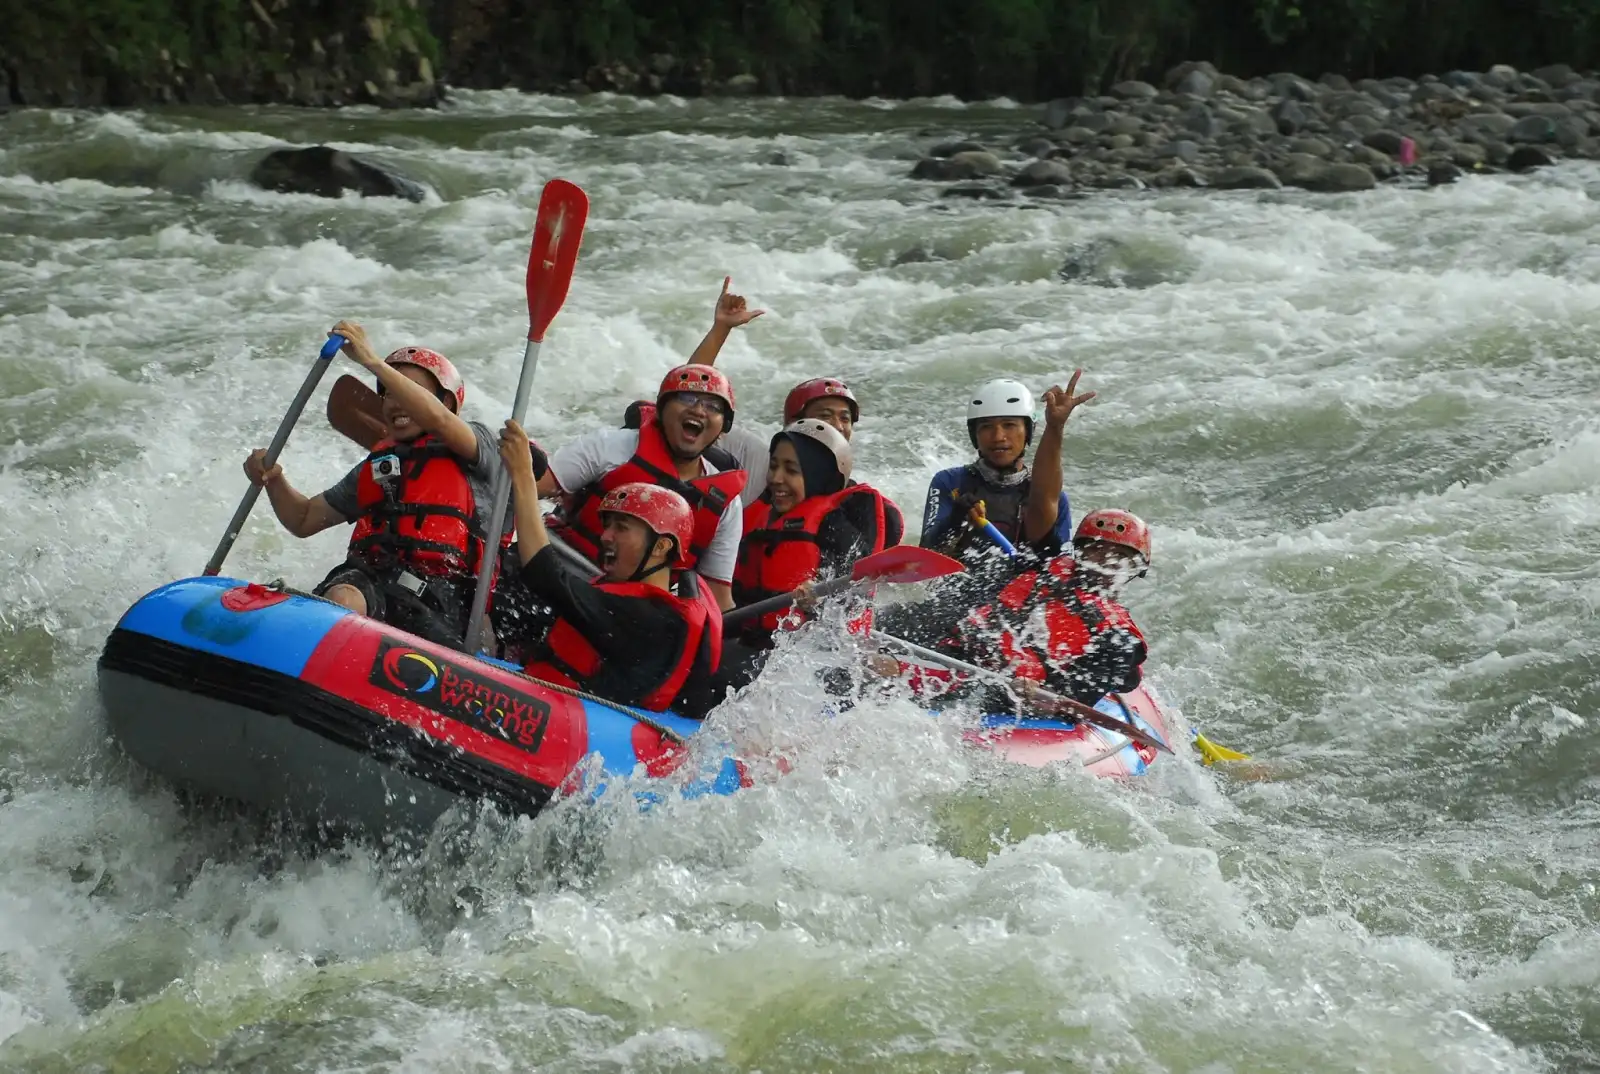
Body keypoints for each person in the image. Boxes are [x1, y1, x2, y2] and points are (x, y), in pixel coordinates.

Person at [242, 321, 507, 649]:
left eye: (406, 393)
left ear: (448, 402)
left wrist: (373, 362)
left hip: (444, 598)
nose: (394, 403)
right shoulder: (381, 467)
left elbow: (438, 421)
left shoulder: (480, 448)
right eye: (387, 395)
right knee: (344, 596)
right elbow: (304, 519)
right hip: (371, 580)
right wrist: (273, 478)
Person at [649, 276, 905, 543]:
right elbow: (690, 408)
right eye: (824, 416)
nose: (836, 427)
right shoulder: (760, 461)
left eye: (844, 418)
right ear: (793, 424)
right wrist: (720, 330)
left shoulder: (859, 506)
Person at [500, 419, 723, 714]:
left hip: (576, 726)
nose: (605, 536)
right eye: (607, 526)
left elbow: (546, 575)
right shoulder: (630, 600)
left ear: (661, 547)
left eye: (621, 527)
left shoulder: (652, 618)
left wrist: (523, 477)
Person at [536, 364, 748, 610]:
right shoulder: (610, 447)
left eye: (713, 407)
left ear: (722, 428)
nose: (699, 410)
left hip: (631, 613)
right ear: (662, 409)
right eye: (687, 398)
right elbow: (531, 488)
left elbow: (717, 598)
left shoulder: (726, 504)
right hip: (563, 570)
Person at [936, 508, 1151, 709]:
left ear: (1135, 569)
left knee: (1122, 647)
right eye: (1096, 550)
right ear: (1080, 552)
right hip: (977, 666)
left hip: (1033, 695)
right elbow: (978, 623)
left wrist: (1045, 694)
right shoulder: (1036, 574)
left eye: (1120, 557)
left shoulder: (1118, 634)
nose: (1106, 561)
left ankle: (1046, 699)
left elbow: (1109, 682)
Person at [731, 419, 897, 647]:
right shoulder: (760, 518)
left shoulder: (835, 524)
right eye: (773, 466)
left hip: (816, 653)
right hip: (754, 641)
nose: (776, 478)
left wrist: (820, 596)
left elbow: (854, 595)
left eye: (791, 470)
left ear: (818, 476)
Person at [919, 373, 1095, 566]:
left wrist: (1055, 426)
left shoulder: (1052, 498)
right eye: (986, 427)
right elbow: (926, 555)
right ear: (974, 434)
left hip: (1023, 592)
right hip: (960, 590)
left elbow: (1060, 566)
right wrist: (957, 519)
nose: (998, 436)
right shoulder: (950, 483)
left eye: (1009, 425)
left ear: (1028, 431)